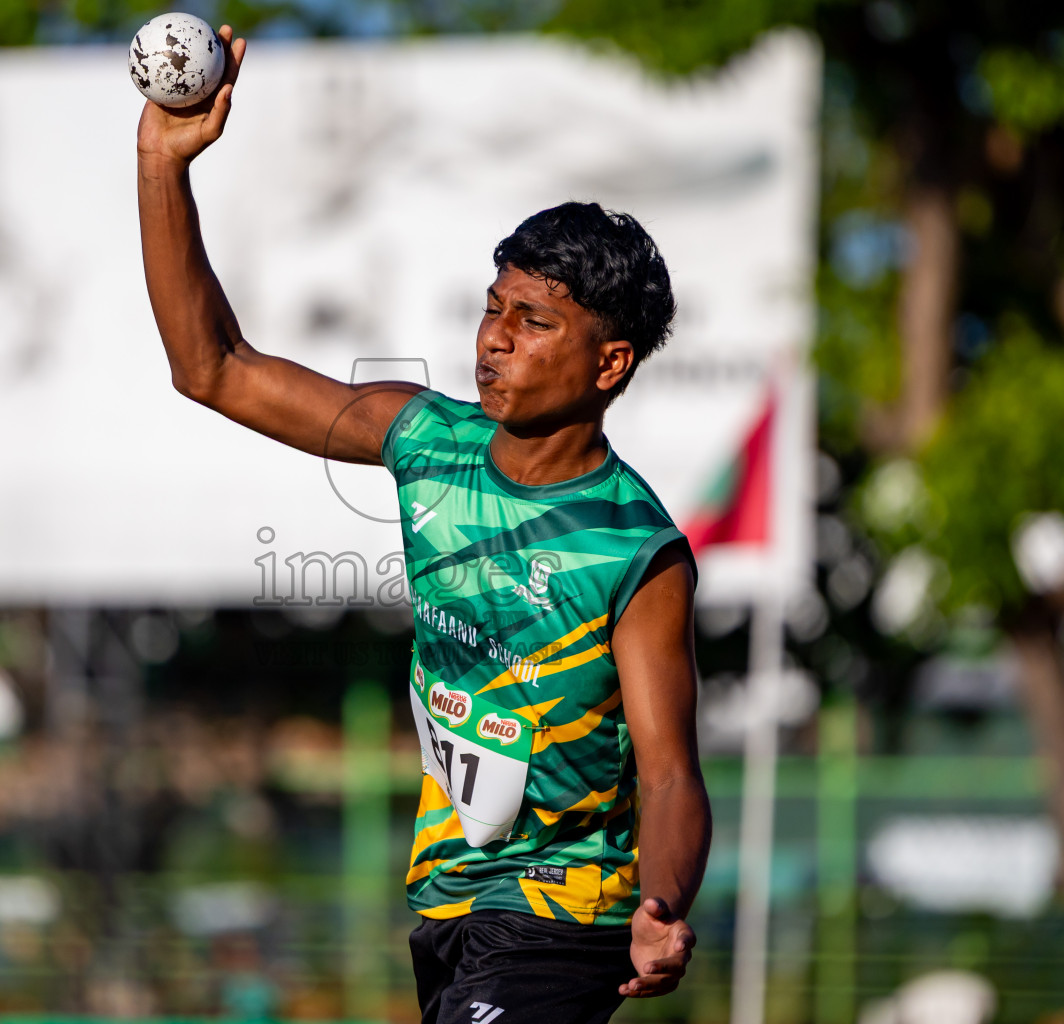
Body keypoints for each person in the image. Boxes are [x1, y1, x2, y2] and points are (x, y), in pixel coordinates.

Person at [136, 26, 712, 1024]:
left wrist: (662, 902)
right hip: (447, 910)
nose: (494, 338)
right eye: (494, 309)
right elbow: (212, 366)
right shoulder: (427, 442)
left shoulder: (635, 548)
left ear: (609, 363)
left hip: (561, 914)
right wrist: (161, 164)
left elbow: (668, 769)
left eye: (534, 323)